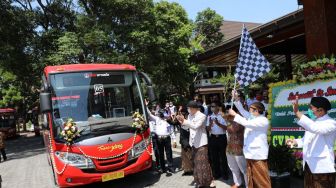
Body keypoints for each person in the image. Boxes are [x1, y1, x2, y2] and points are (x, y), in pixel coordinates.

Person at [286, 96, 336, 188]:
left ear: (320, 110)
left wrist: (297, 112)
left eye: (311, 107)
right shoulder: (314, 122)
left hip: (321, 166)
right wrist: (294, 142)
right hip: (309, 164)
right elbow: (305, 140)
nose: (310, 110)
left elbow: (316, 129)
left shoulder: (331, 123)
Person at [228, 91, 271, 188]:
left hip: (258, 154)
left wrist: (235, 115)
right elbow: (242, 111)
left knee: (261, 179)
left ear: (257, 111)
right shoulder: (252, 118)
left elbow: (246, 123)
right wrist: (236, 98)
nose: (249, 111)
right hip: (250, 153)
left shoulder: (263, 120)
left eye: (251, 110)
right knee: (251, 178)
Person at [177, 101, 215, 188]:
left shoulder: (202, 116)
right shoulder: (190, 115)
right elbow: (187, 127)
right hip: (193, 142)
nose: (188, 110)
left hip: (201, 143)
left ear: (193, 108)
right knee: (196, 163)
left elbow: (195, 126)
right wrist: (182, 122)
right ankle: (199, 181)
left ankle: (209, 181)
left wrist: (185, 121)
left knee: (204, 162)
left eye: (189, 108)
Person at [146, 100, 177, 174]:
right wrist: (146, 106)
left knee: (169, 153)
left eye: (162, 113)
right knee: (161, 154)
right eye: (161, 114)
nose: (161, 115)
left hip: (167, 138)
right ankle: (163, 168)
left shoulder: (168, 120)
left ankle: (171, 167)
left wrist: (174, 140)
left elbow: (171, 131)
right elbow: (149, 114)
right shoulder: (157, 119)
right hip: (159, 139)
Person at [225, 105, 248, 188]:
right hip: (230, 146)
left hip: (239, 146)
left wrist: (232, 118)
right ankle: (238, 183)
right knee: (233, 167)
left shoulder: (241, 119)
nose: (227, 112)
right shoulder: (228, 119)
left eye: (228, 111)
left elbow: (235, 129)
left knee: (244, 169)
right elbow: (227, 129)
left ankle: (248, 185)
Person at [206, 101, 229, 180]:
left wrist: (218, 123)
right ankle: (217, 173)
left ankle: (225, 174)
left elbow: (227, 128)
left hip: (222, 138)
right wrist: (210, 124)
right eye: (211, 106)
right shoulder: (209, 117)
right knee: (214, 157)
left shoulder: (223, 115)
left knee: (223, 157)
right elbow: (208, 129)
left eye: (213, 106)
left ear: (218, 107)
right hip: (212, 138)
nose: (212, 108)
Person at [178, 105, 193, 176]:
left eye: (183, 113)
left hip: (187, 141)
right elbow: (173, 122)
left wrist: (184, 121)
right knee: (184, 156)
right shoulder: (180, 120)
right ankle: (186, 170)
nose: (182, 114)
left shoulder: (188, 120)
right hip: (182, 141)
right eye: (181, 113)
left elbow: (188, 129)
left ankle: (192, 169)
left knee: (189, 156)